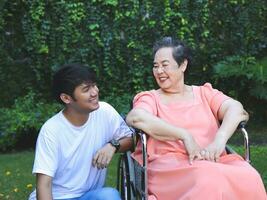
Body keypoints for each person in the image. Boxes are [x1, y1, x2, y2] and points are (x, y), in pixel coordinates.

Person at [126, 37, 267, 200]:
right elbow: (136, 117)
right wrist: (184, 135)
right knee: (207, 177)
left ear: (183, 65)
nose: (159, 71)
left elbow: (237, 110)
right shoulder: (151, 98)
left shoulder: (204, 94)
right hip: (170, 167)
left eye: (165, 65)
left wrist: (219, 140)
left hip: (214, 160)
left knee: (250, 177)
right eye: (155, 66)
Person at [28, 64, 132, 200]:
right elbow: (44, 185)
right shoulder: (51, 130)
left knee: (109, 195)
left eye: (94, 85)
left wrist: (113, 145)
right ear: (66, 98)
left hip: (89, 196)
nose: (95, 92)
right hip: (58, 197)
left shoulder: (105, 112)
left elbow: (132, 140)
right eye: (86, 89)